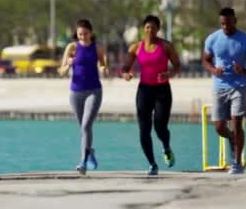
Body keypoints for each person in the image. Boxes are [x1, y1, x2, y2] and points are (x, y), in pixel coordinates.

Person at [202, 7, 246, 175]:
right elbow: (205, 60)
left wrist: (244, 71)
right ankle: (231, 140)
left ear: (235, 21)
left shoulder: (245, 41)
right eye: (222, 24)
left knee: (236, 123)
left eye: (228, 23)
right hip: (219, 87)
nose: (225, 27)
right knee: (219, 127)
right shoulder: (213, 39)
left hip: (238, 86)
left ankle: (236, 163)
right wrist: (214, 70)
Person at [121, 15, 181, 175]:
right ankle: (152, 164)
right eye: (147, 27)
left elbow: (177, 66)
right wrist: (126, 73)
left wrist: (169, 74)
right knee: (144, 130)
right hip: (144, 91)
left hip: (162, 91)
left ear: (158, 29)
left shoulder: (166, 46)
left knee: (160, 127)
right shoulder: (135, 47)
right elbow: (126, 66)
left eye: (153, 28)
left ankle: (166, 148)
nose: (150, 30)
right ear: (143, 29)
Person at [59, 19, 108, 175]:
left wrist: (104, 69)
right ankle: (90, 152)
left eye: (85, 34)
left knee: (86, 125)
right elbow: (61, 71)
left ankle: (83, 162)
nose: (83, 37)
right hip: (75, 93)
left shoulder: (97, 47)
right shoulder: (72, 47)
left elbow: (103, 64)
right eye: (80, 34)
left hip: (94, 91)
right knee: (83, 129)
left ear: (91, 33)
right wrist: (68, 64)